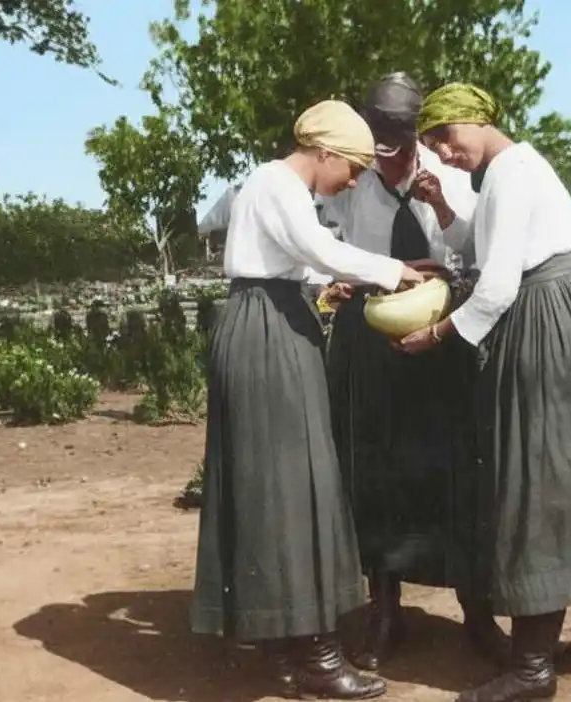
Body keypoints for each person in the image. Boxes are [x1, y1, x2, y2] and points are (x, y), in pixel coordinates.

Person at [398, 83, 571, 702]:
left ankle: (532, 668)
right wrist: (441, 209)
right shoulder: (507, 173)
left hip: (542, 320)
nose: (442, 151)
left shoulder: (512, 173)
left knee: (537, 478)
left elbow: (495, 289)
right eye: (432, 143)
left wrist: (436, 334)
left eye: (445, 136)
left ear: (477, 119)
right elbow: (484, 245)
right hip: (565, 314)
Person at [190, 99, 424, 700]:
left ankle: (286, 645)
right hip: (267, 330)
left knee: (277, 486)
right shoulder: (277, 182)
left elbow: (297, 259)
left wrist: (341, 281)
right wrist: (395, 271)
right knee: (295, 488)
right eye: (349, 167)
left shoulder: (275, 188)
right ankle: (318, 656)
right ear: (324, 153)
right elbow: (316, 247)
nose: (350, 181)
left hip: (268, 316)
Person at [320, 72, 508, 671]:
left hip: (438, 339)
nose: (387, 149)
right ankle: (384, 613)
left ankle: (476, 613)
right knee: (373, 470)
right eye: (377, 136)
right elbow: (317, 244)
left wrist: (442, 211)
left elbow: (484, 254)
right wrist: (358, 275)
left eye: (397, 137)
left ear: (415, 133)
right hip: (369, 339)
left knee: (454, 468)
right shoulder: (347, 181)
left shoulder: (453, 172)